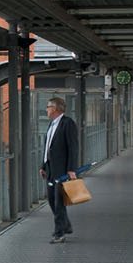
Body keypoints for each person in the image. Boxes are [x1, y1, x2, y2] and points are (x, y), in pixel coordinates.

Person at [40, 95, 80, 243]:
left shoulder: (67, 123)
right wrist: (43, 165)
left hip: (62, 170)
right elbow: (47, 147)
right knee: (51, 200)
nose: (46, 110)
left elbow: (73, 147)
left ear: (54, 108)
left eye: (48, 107)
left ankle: (59, 233)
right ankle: (66, 225)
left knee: (59, 202)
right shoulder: (51, 125)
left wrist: (71, 169)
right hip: (50, 169)